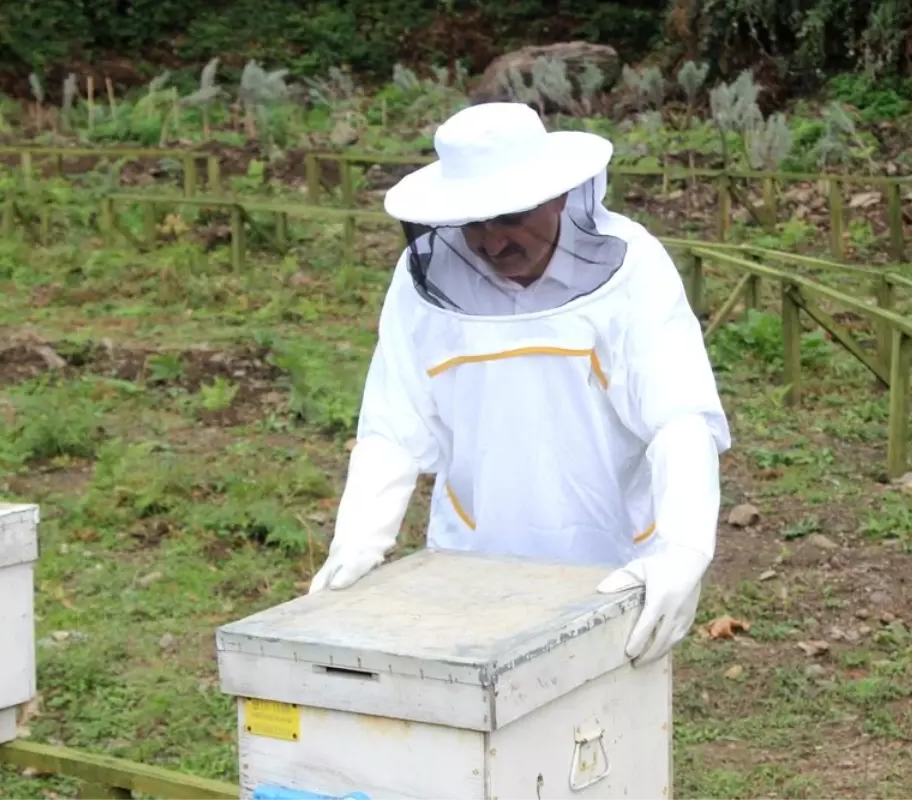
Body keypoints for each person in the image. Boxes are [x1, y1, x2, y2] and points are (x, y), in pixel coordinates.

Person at [308, 102, 733, 667]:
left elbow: (679, 417)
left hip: (611, 564)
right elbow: (393, 422)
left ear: (558, 194)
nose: (491, 243)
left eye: (510, 218)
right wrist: (360, 536)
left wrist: (683, 548)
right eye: (473, 223)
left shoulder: (634, 268)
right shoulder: (423, 282)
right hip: (468, 564)